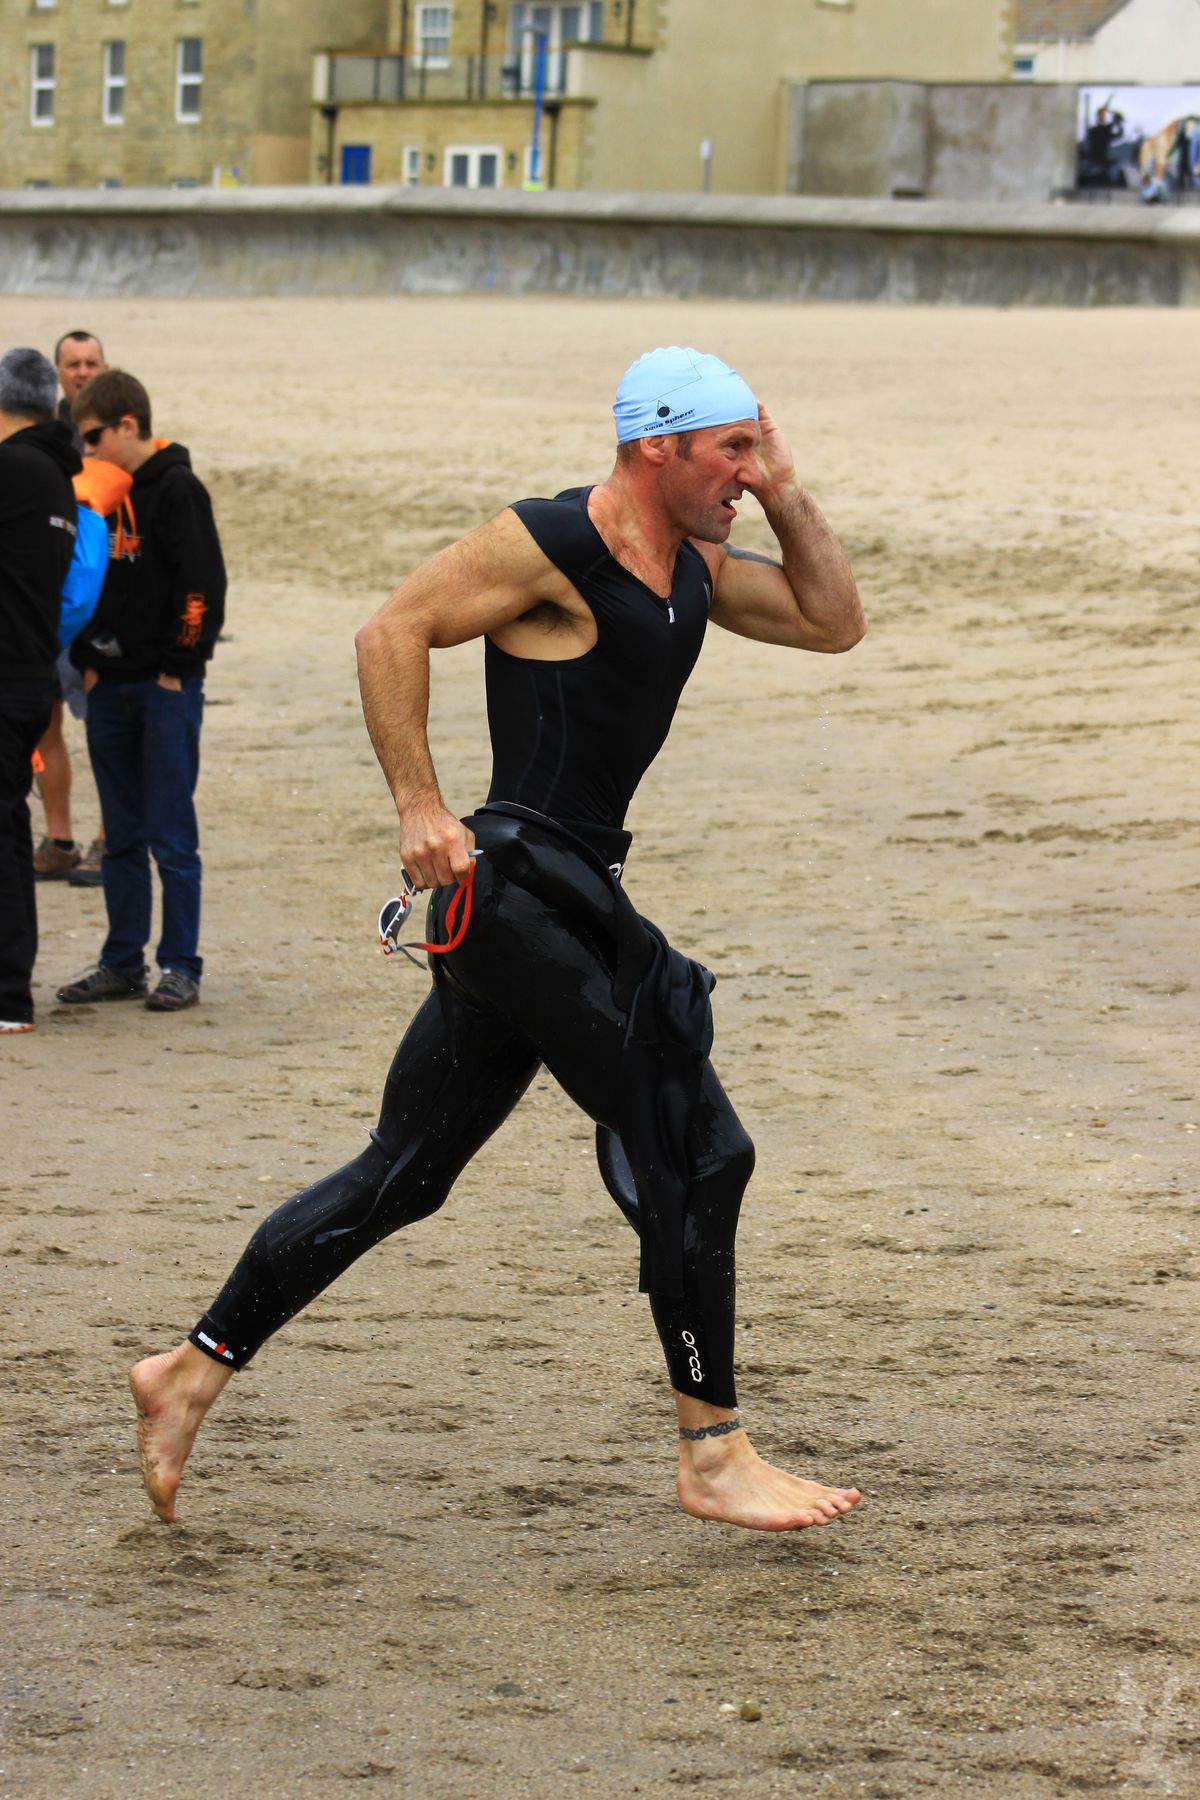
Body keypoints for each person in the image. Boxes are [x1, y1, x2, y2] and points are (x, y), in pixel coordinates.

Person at [129, 346, 868, 1533]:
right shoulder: (550, 545)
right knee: (694, 1142)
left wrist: (783, 487)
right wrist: (421, 807)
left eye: (753, 447)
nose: (746, 468)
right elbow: (392, 631)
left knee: (404, 1174)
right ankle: (712, 1453)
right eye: (730, 449)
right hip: (516, 886)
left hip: (573, 899)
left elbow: (835, 622)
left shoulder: (695, 567)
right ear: (656, 445)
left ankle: (190, 1370)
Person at [57, 369, 226, 1014]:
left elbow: (203, 585)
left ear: (128, 424)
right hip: (109, 685)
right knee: (121, 833)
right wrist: (85, 660)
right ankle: (122, 961)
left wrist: (179, 663)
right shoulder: (94, 494)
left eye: (93, 435)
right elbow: (80, 581)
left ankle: (180, 965)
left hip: (165, 687)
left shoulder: (177, 488)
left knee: (170, 832)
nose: (88, 449)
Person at [0, 348, 81, 1033]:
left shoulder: (16, 467)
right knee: (8, 824)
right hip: (30, 671)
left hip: (9, 674)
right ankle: (9, 990)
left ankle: (7, 995)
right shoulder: (55, 473)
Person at [32, 329, 110, 887]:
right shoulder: (43, 429)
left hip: (103, 606)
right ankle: (60, 838)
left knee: (105, 726)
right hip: (48, 600)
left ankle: (110, 840)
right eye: (72, 363)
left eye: (91, 362)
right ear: (58, 371)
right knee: (45, 724)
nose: (81, 371)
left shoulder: (119, 425)